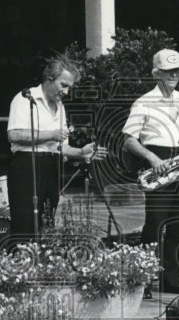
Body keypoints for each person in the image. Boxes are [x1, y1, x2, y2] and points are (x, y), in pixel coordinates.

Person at [122, 48, 179, 295]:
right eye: (168, 71)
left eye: (177, 71)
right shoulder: (144, 102)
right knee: (155, 225)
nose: (174, 75)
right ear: (156, 73)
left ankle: (174, 281)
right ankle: (142, 281)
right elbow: (128, 140)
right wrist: (152, 157)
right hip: (158, 163)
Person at [6, 52, 106, 242]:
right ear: (49, 79)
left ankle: (43, 265)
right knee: (25, 223)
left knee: (47, 221)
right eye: (64, 85)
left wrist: (82, 152)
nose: (66, 92)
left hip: (51, 165)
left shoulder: (60, 106)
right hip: (27, 165)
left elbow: (61, 147)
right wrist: (50, 134)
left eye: (70, 87)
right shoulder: (25, 98)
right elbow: (14, 134)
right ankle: (19, 265)